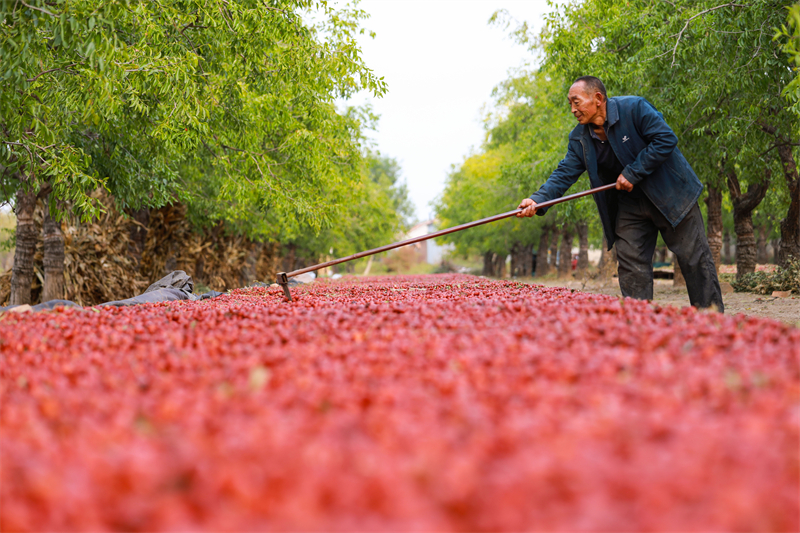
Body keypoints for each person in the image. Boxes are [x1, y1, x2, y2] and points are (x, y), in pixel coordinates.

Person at [517, 76, 724, 311]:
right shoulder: (580, 138)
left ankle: (711, 320)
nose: (573, 110)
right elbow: (564, 173)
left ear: (598, 98)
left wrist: (633, 172)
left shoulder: (634, 108)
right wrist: (538, 199)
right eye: (570, 104)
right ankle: (639, 323)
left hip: (671, 196)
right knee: (631, 266)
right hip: (630, 206)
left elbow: (665, 139)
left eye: (576, 102)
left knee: (694, 259)